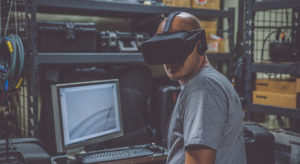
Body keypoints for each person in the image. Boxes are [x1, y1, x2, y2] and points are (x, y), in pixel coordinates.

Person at [158, 12, 247, 164]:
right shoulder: (208, 80)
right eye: (165, 50)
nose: (170, 59)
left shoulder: (202, 89)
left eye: (178, 49)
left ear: (200, 45)